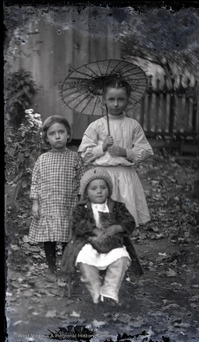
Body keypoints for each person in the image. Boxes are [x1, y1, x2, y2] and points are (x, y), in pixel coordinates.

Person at [78, 77, 154, 227]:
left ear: (127, 101)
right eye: (111, 99)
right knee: (103, 219)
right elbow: (84, 154)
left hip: (125, 177)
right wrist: (103, 148)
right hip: (102, 177)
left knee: (124, 219)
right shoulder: (97, 126)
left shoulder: (133, 125)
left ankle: (123, 246)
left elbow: (145, 150)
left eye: (121, 99)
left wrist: (125, 152)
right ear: (103, 101)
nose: (116, 104)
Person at [60, 167, 142, 304]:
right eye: (94, 188)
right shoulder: (81, 208)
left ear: (109, 189)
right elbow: (77, 224)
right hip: (87, 242)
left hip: (112, 243)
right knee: (84, 258)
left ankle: (110, 291)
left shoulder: (117, 206)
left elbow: (129, 221)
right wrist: (94, 230)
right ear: (86, 191)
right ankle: (96, 292)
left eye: (103, 187)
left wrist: (117, 227)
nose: (99, 191)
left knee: (121, 257)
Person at [28, 115, 84, 282]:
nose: (57, 136)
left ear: (68, 134)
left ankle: (67, 268)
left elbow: (81, 182)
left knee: (67, 237)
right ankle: (51, 269)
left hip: (68, 205)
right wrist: (35, 203)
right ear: (46, 138)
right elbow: (35, 182)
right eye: (52, 133)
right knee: (49, 238)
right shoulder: (42, 159)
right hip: (48, 206)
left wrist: (82, 203)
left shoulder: (74, 158)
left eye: (61, 132)